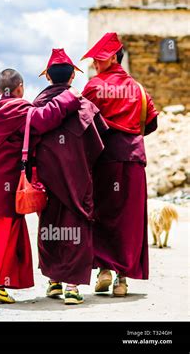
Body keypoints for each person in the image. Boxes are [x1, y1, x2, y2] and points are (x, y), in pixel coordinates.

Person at [0, 68, 82, 303]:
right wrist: (70, 96)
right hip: (3, 182)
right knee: (8, 232)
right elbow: (46, 118)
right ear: (20, 88)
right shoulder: (19, 110)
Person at [81, 33, 159, 296]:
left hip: (104, 159)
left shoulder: (94, 86)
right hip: (134, 160)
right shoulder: (138, 89)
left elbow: (82, 122)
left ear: (113, 57)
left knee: (103, 213)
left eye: (97, 59)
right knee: (129, 217)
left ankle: (103, 269)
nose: (93, 64)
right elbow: (151, 123)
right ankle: (122, 279)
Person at [33, 49, 108, 305]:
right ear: (73, 77)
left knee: (50, 227)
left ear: (48, 78)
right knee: (75, 227)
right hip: (78, 179)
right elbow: (99, 144)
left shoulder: (37, 106)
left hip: (47, 180)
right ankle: (72, 287)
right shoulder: (85, 105)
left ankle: (53, 281)